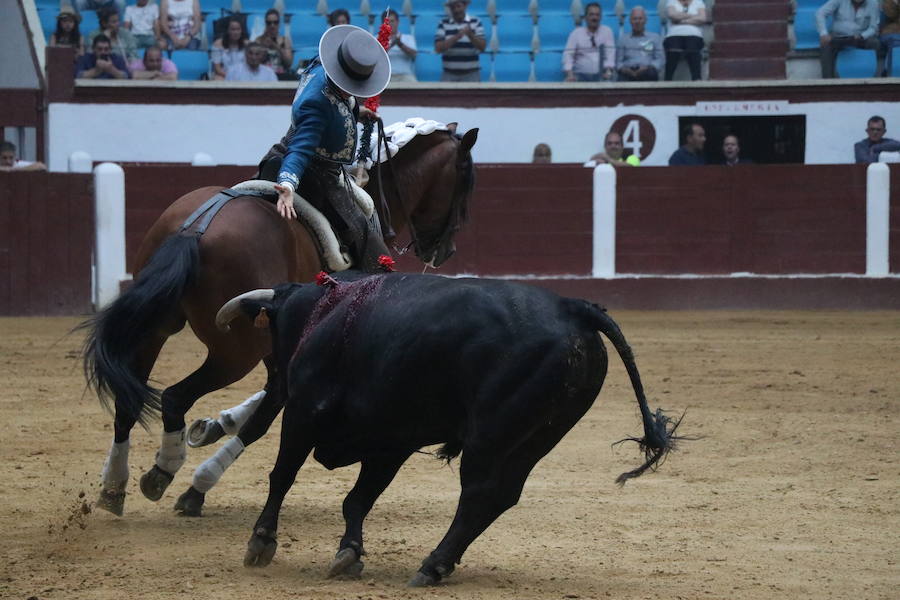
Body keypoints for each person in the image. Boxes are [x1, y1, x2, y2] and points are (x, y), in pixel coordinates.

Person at [260, 25, 392, 269]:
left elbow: (340, 102)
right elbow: (301, 147)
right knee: (362, 234)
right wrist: (288, 184)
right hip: (314, 175)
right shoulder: (317, 104)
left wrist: (357, 112)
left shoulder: (323, 65)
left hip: (295, 160)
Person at [816, 0, 883, 78]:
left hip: (860, 37)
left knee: (875, 43)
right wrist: (823, 33)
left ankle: (874, 79)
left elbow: (873, 28)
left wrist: (862, 36)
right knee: (826, 45)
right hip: (839, 37)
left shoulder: (873, 3)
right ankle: (828, 81)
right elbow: (820, 13)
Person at [435, 0, 487, 82]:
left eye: (458, 6)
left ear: (465, 5)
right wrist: (457, 37)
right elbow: (438, 49)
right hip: (449, 74)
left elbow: (483, 47)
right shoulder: (443, 23)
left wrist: (470, 35)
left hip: (472, 74)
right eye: (453, 7)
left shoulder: (476, 21)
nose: (456, 10)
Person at [563, 2, 615, 81]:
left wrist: (608, 73)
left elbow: (610, 54)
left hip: (603, 74)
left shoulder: (607, 31)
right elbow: (568, 55)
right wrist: (570, 74)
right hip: (580, 75)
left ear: (601, 17)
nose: (594, 18)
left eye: (597, 15)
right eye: (591, 14)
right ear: (585, 17)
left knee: (612, 79)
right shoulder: (576, 33)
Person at [617, 6, 664, 81]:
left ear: (645, 20)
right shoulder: (623, 39)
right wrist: (625, 70)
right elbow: (618, 61)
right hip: (628, 71)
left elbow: (660, 59)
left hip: (648, 70)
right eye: (634, 19)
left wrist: (647, 68)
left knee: (652, 73)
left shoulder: (655, 37)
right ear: (630, 21)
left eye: (640, 18)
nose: (637, 21)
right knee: (621, 77)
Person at [664, 0, 707, 81]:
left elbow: (703, 18)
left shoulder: (698, 2)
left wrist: (682, 20)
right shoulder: (671, 1)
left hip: (694, 34)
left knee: (693, 49)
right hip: (674, 34)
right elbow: (672, 15)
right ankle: (667, 79)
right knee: (673, 50)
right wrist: (694, 16)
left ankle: (697, 79)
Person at [255, 9, 294, 80]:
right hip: (263, 76)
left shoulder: (285, 40)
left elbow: (289, 63)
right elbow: (255, 61)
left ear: (279, 23)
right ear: (265, 24)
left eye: (275, 22)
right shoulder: (259, 40)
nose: (272, 25)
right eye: (269, 23)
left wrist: (277, 47)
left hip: (281, 75)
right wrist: (264, 48)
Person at [383, 9, 418, 82]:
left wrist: (400, 44)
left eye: (392, 21)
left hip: (405, 75)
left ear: (398, 22)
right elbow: (376, 57)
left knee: (415, 87)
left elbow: (414, 54)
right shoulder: (377, 38)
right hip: (385, 76)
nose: (390, 24)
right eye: (387, 22)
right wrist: (391, 45)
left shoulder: (408, 38)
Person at [883, 0, 900, 76]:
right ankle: (889, 71)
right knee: (894, 42)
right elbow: (890, 13)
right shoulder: (890, 2)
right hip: (893, 32)